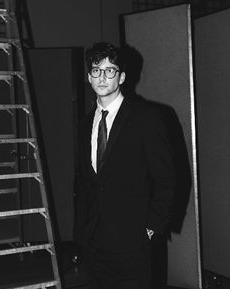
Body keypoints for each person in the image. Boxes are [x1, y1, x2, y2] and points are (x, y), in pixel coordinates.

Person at [74, 42, 176, 289]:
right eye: (96, 70)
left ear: (121, 77)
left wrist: (152, 227)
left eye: (110, 70)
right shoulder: (86, 123)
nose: (102, 77)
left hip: (134, 240)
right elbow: (83, 181)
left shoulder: (146, 117)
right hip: (94, 240)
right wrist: (80, 231)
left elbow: (167, 179)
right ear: (89, 77)